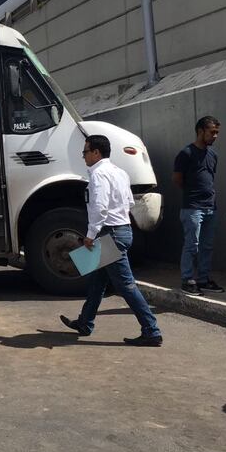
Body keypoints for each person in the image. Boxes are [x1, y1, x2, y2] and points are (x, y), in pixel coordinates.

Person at [59, 135, 163, 346]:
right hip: (121, 230)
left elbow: (100, 206)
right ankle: (85, 323)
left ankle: (151, 331)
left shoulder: (99, 174)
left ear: (96, 152)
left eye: (85, 152)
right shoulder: (120, 173)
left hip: (110, 233)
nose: (84, 156)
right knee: (98, 282)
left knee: (126, 285)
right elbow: (127, 202)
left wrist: (90, 234)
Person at [172, 116, 224, 295]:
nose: (215, 136)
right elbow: (177, 179)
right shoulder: (186, 153)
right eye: (212, 132)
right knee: (192, 245)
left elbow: (210, 178)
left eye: (217, 132)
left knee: (207, 246)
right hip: (192, 207)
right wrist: (193, 194)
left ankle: (203, 279)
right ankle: (187, 280)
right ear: (200, 131)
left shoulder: (213, 155)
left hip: (210, 206)